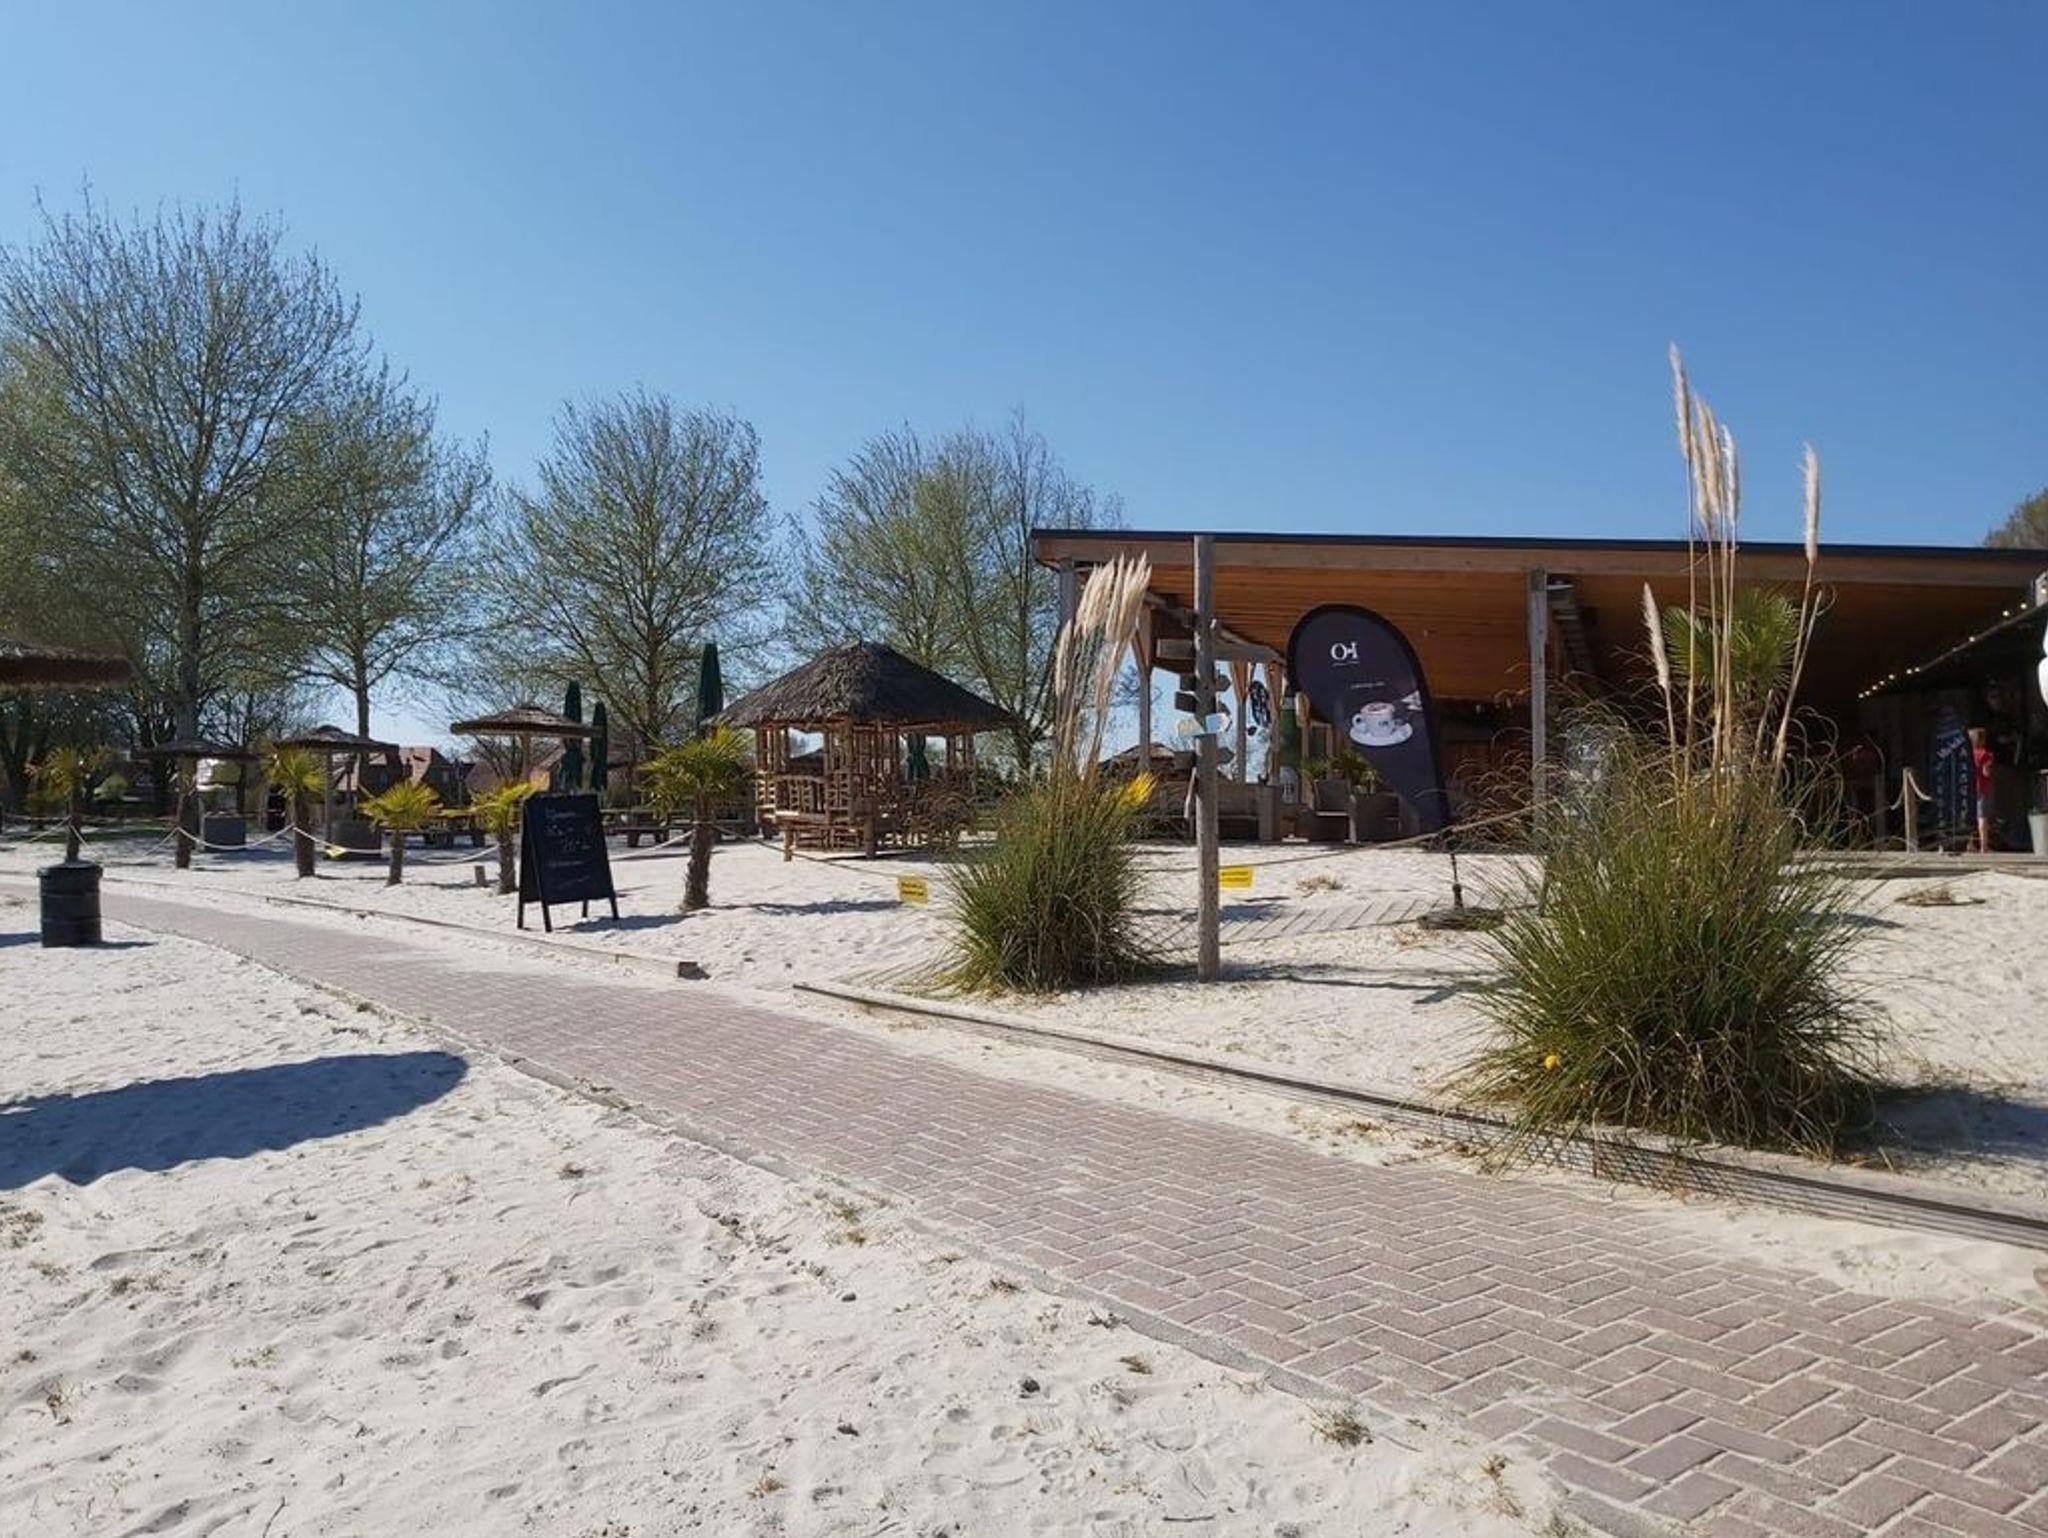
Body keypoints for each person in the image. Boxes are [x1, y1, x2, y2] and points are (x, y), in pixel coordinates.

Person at [1969, 726, 1995, 852]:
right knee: (1982, 817)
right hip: (1983, 788)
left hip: (1969, 788)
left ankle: (1970, 843)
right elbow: (1986, 773)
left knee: (1969, 816)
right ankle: (1983, 846)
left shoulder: (1968, 754)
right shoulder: (1986, 755)